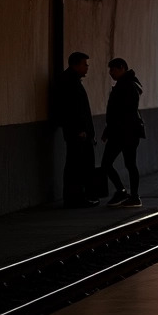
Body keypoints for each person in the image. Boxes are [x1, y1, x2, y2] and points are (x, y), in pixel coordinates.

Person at [52, 51, 98, 207]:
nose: (87, 67)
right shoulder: (69, 82)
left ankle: (77, 197)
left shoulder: (70, 80)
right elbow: (71, 109)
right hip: (77, 133)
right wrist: (80, 129)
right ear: (76, 64)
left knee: (76, 164)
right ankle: (75, 198)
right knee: (76, 165)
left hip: (78, 131)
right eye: (85, 64)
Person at [101, 58, 145, 207]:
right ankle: (129, 194)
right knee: (128, 163)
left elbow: (123, 111)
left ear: (121, 68)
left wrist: (110, 128)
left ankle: (128, 194)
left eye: (112, 70)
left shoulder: (127, 86)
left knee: (109, 163)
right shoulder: (128, 84)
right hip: (125, 131)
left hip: (124, 132)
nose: (110, 73)